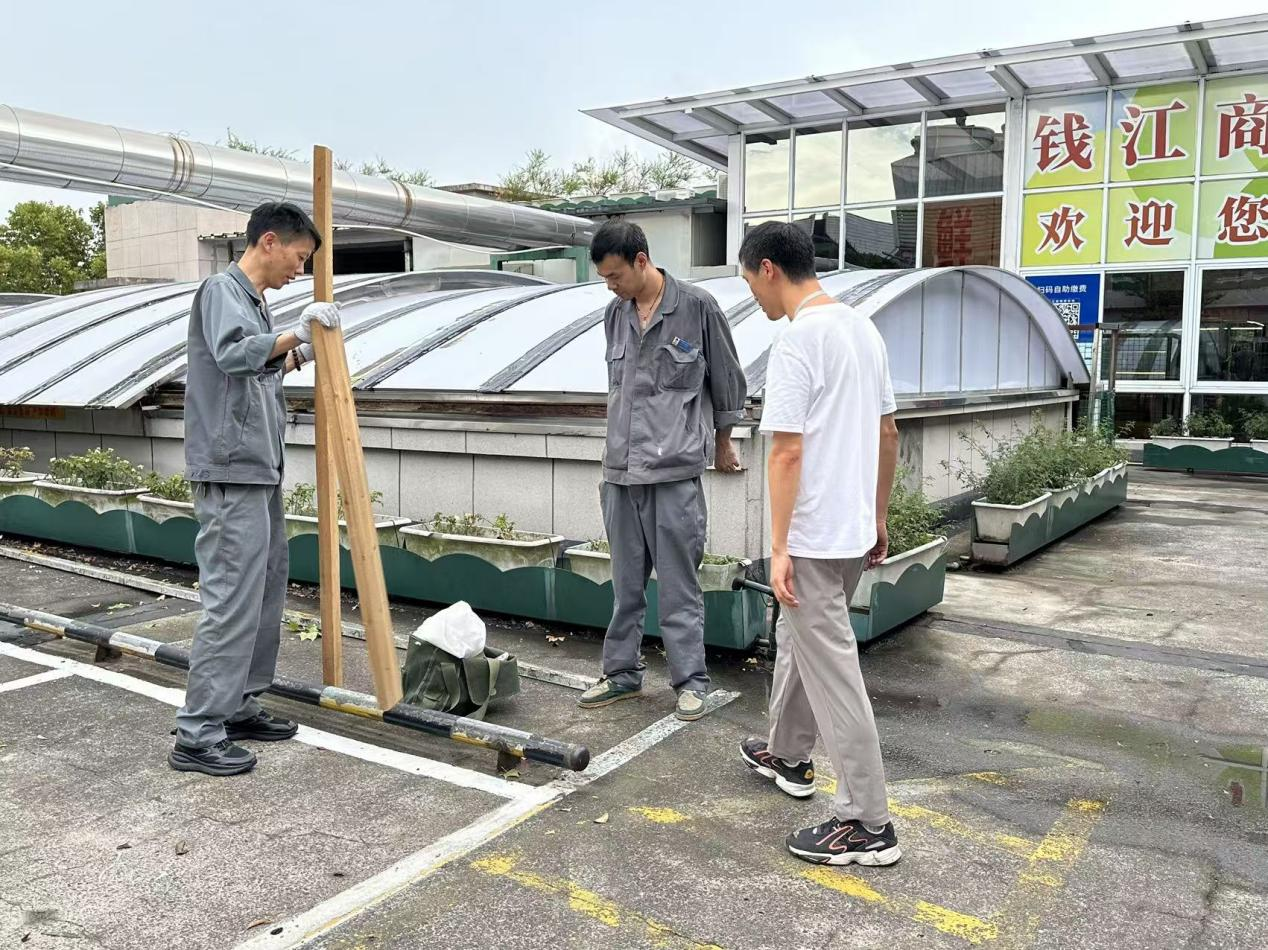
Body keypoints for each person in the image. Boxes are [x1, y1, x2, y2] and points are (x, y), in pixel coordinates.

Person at [736, 221, 902, 867]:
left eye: (750, 280)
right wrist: (880, 514)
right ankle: (787, 752)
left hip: (814, 534)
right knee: (799, 646)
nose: (753, 294)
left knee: (833, 673)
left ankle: (866, 821)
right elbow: (888, 433)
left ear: (769, 269)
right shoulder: (863, 328)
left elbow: (786, 448)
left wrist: (778, 546)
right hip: (853, 530)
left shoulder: (799, 338)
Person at [170, 201, 341, 777]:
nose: (299, 270)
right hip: (229, 469)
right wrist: (297, 330)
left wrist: (296, 351)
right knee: (231, 598)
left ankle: (238, 705)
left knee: (266, 588)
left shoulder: (255, 302)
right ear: (269, 242)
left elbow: (255, 368)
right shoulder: (222, 290)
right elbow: (232, 355)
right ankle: (198, 732)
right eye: (299, 257)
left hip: (259, 467)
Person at [578, 220, 747, 721]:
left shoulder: (697, 307)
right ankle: (622, 674)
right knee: (625, 583)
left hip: (674, 473)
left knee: (678, 585)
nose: (611, 285)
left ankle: (692, 683)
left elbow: (728, 380)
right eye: (605, 278)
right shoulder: (615, 314)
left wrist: (723, 442)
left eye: (615, 275)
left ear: (641, 260)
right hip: (620, 473)